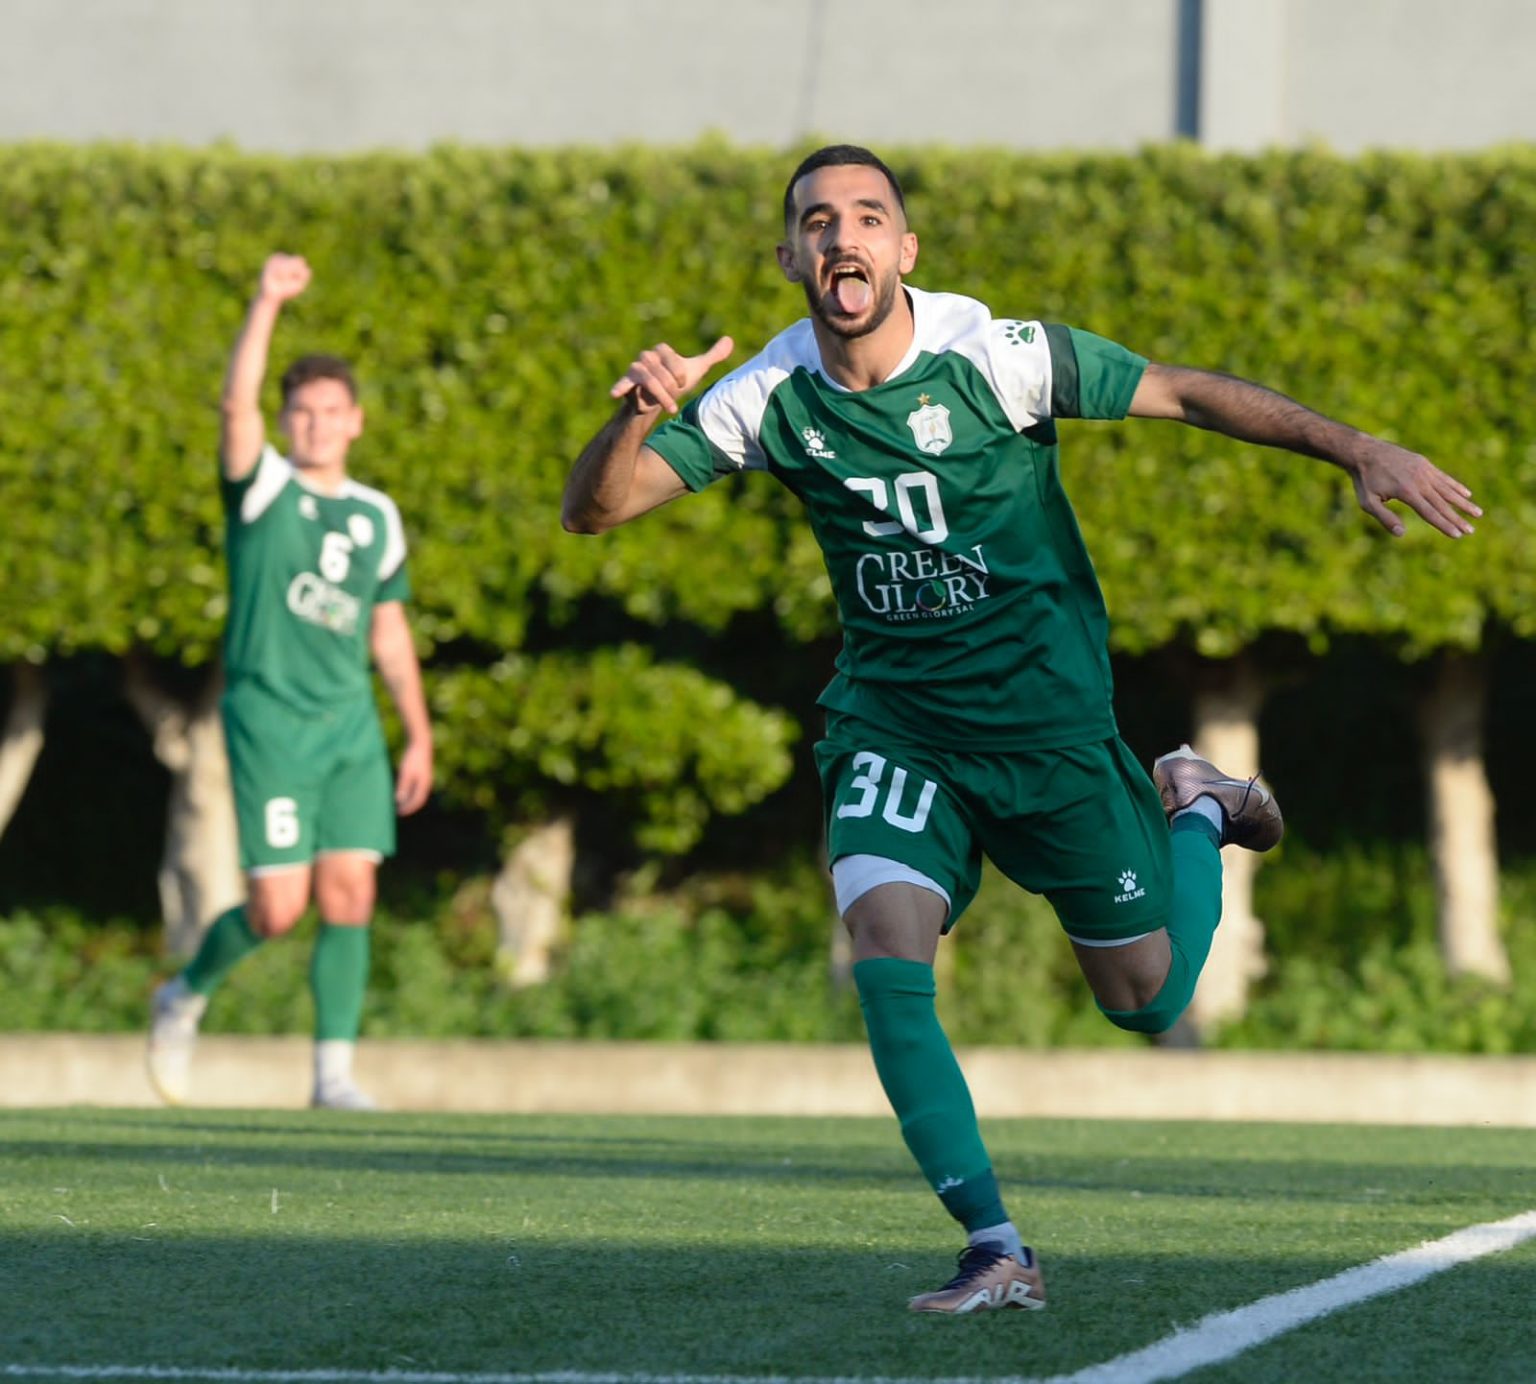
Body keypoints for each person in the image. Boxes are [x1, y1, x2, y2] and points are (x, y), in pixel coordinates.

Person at [561, 143, 1479, 1314]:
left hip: (1047, 726)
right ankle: (996, 1244)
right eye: (818, 220)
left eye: (868, 216)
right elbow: (596, 510)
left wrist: (1357, 446)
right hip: (895, 726)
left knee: (1147, 1001)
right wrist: (640, 418)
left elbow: (1185, 392)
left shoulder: (996, 358)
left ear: (905, 249)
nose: (843, 236)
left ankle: (1195, 805)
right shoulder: (770, 394)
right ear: (790, 256)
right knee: (885, 948)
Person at [148, 253, 433, 1112]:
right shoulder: (262, 490)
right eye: (301, 412)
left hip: (349, 727)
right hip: (270, 722)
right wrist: (266, 301)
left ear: (355, 422)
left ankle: (332, 1076)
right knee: (276, 908)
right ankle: (183, 994)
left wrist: (417, 733)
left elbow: (388, 631)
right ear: (286, 422)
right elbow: (235, 408)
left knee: (351, 893)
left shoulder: (377, 515)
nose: (315, 425)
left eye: (330, 411)